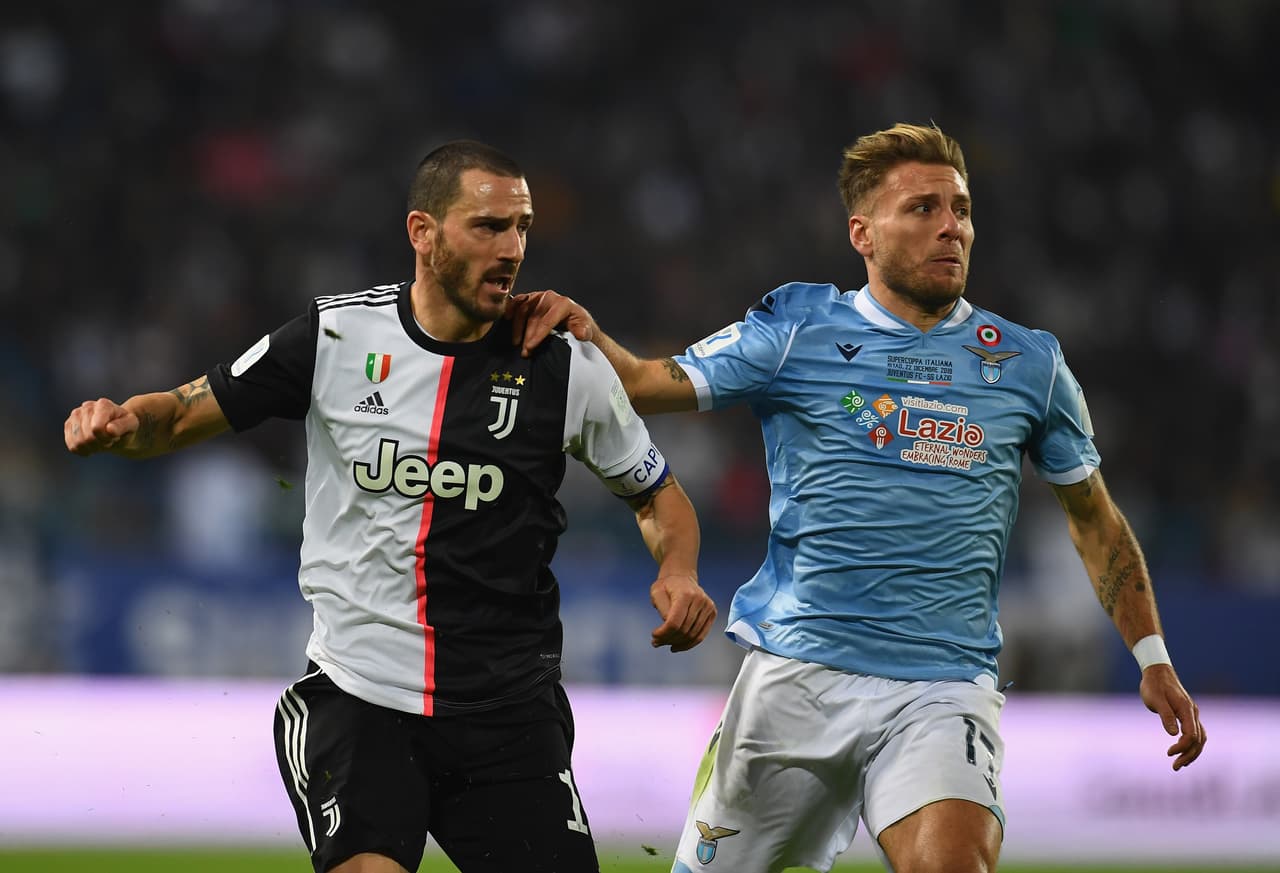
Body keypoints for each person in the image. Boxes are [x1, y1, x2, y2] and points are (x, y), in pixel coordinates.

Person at [508, 122, 1206, 873]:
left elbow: (1094, 519)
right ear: (863, 234)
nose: (952, 227)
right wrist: (588, 331)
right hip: (795, 680)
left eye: (961, 208)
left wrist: (1153, 654)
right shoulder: (797, 328)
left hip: (942, 688)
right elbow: (648, 383)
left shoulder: (1029, 363)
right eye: (923, 208)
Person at [63, 140, 717, 873]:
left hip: (507, 714)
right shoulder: (337, 336)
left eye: (522, 227)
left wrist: (681, 568)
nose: (512, 249)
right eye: (488, 226)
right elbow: (182, 412)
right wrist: (122, 422)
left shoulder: (565, 365)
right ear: (423, 233)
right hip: (361, 701)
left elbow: (657, 492)